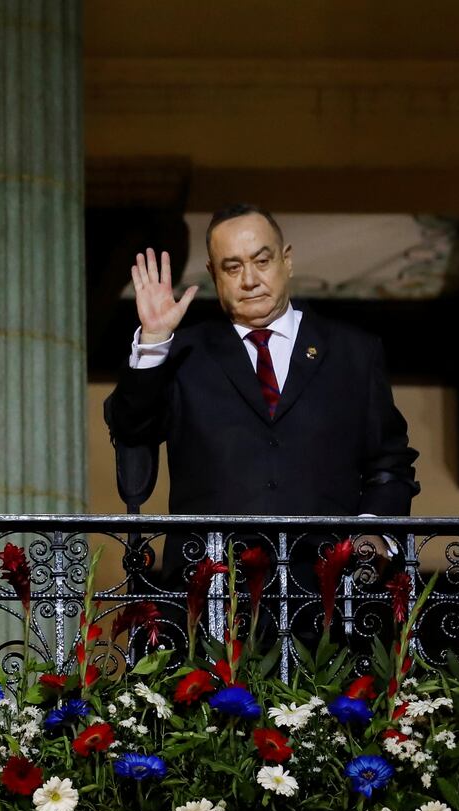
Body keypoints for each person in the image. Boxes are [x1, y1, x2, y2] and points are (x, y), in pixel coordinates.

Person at [106, 204, 419, 649]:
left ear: (287, 259)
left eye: (262, 260)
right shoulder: (184, 354)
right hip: (211, 601)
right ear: (215, 274)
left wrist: (372, 534)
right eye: (233, 267)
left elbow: (389, 462)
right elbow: (130, 426)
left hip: (329, 601)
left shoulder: (353, 352)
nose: (249, 279)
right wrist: (155, 339)